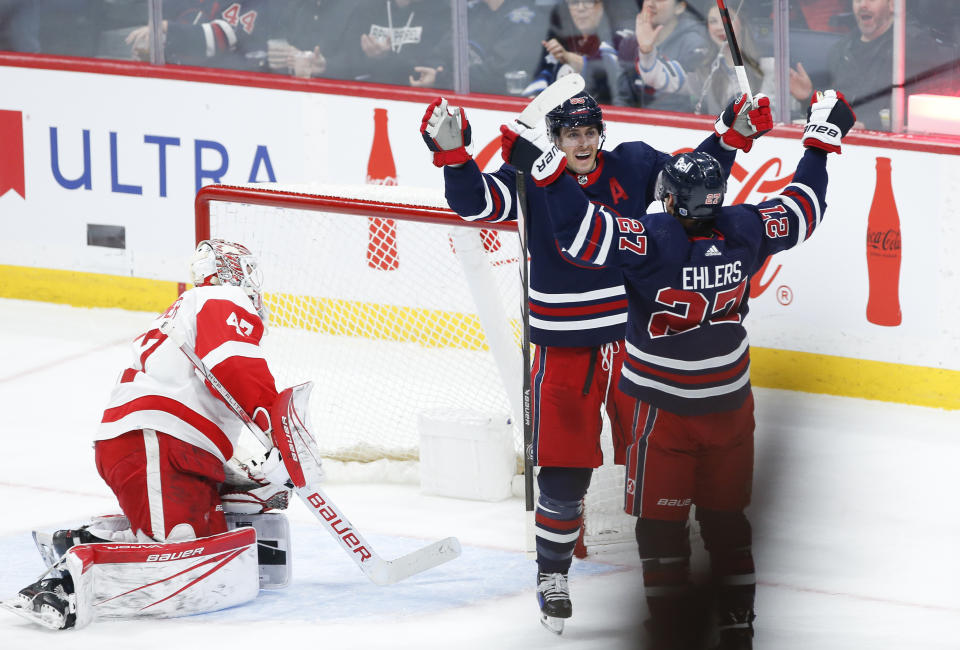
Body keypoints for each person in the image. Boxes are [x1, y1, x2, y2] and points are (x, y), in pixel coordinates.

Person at [506, 89, 855, 649]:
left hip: (661, 410)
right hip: (730, 407)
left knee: (662, 529)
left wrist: (547, 176)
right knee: (726, 522)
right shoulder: (745, 229)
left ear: (667, 201)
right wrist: (821, 141)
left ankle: (667, 629)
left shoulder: (655, 241)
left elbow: (581, 234)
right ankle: (739, 623)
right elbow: (804, 206)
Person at [420, 85, 772, 634]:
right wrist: (454, 155)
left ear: (599, 135)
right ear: (555, 138)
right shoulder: (537, 180)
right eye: (569, 135)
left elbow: (690, 175)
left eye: (588, 134)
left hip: (635, 349)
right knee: (564, 471)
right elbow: (475, 203)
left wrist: (732, 134)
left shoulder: (631, 165)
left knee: (664, 465)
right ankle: (552, 575)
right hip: (564, 351)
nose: (581, 145)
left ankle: (684, 571)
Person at [8, 240, 294, 629]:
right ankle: (61, 585)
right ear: (232, 272)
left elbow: (204, 391)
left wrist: (241, 474)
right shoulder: (222, 297)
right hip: (156, 441)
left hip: (154, 443)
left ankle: (87, 540)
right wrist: (274, 425)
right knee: (180, 549)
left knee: (202, 541)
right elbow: (234, 366)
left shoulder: (188, 309)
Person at [789, 0, 956, 130]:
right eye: (857, 1)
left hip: (890, 151)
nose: (863, 5)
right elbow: (839, 102)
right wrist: (808, 96)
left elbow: (924, 109)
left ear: (892, 5)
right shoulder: (840, 51)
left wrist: (869, 125)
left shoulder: (913, 46)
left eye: (871, 0)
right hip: (843, 147)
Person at [631, 2, 775, 115]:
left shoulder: (768, 66)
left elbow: (774, 114)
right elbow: (660, 79)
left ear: (742, 23)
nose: (720, 27)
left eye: (727, 19)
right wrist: (646, 51)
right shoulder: (703, 70)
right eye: (713, 21)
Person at [414, 0, 550, 94]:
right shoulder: (470, 10)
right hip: (456, 99)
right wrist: (436, 71)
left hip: (501, 108)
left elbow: (498, 73)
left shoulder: (525, 18)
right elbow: (439, 53)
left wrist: (441, 78)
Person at [524, 0, 637, 105]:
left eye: (588, 1)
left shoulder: (621, 36)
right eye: (574, 2)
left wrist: (570, 58)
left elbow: (609, 71)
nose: (580, 8)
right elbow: (544, 73)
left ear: (601, 5)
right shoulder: (562, 35)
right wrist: (536, 99)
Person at [125, 0, 276, 71]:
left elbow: (220, 37)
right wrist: (151, 49)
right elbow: (154, 34)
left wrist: (165, 28)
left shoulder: (253, 3)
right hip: (176, 84)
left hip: (229, 90)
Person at [331, 0, 452, 87]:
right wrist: (325, 67)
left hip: (418, 102)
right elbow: (347, 59)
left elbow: (429, 68)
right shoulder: (366, 8)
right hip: (367, 96)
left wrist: (385, 58)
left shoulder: (442, 12)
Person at [618, 0, 711, 112]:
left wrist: (646, 52)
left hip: (680, 124)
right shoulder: (629, 42)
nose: (650, 4)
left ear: (680, 7)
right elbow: (621, 96)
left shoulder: (695, 44)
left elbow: (675, 82)